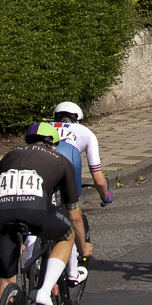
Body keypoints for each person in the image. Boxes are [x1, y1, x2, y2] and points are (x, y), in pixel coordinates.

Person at [0, 123, 90, 305]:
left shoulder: (7, 157)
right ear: (53, 145)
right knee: (67, 234)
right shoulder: (61, 160)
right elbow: (74, 215)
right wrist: (83, 248)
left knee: (5, 281)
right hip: (35, 210)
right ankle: (44, 292)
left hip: (2, 214)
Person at [49, 102, 111, 289]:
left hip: (40, 166)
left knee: (41, 208)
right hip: (68, 161)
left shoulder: (43, 127)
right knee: (72, 215)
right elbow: (98, 180)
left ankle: (32, 257)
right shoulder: (85, 132)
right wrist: (105, 196)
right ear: (79, 119)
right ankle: (73, 272)